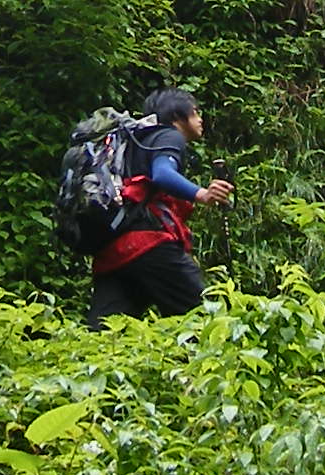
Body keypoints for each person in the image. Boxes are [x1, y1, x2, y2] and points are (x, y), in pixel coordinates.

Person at [86, 86, 233, 328]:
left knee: (103, 333)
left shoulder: (135, 142)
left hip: (115, 250)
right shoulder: (168, 135)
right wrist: (203, 194)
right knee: (205, 322)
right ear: (176, 116)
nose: (200, 118)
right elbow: (163, 174)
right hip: (149, 243)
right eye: (195, 112)